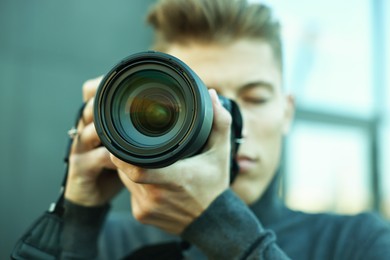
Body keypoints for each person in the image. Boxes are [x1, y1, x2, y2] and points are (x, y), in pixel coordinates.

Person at [17, 0, 390, 259]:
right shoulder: (108, 243)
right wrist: (77, 220)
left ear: (287, 111)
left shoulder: (356, 242)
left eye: (256, 98)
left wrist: (223, 231)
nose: (228, 122)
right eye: (202, 101)